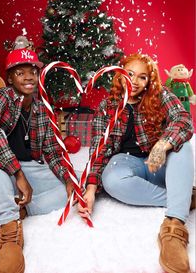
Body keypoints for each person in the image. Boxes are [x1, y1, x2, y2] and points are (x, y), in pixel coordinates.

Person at [78, 53, 195, 273]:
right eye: (129, 74)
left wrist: (162, 145)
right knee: (111, 178)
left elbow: (184, 120)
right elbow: (98, 150)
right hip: (128, 163)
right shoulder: (107, 106)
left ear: (149, 81)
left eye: (142, 77)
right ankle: (182, 197)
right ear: (120, 74)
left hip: (159, 163)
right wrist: (91, 190)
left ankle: (174, 226)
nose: (134, 81)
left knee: (184, 146)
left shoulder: (161, 95)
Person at [0, 46, 74, 273]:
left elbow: (53, 151)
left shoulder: (42, 109)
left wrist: (67, 178)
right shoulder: (0, 97)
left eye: (32, 72)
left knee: (68, 190)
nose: (28, 77)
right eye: (20, 72)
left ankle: (19, 208)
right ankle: (9, 229)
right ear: (9, 78)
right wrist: (18, 173)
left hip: (25, 169)